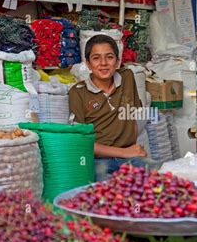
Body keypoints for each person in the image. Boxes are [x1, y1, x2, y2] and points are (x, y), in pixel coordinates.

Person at [68, 34, 160, 181]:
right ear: (88, 64)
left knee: (161, 177)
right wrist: (125, 152)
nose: (103, 63)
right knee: (108, 191)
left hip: (131, 157)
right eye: (96, 58)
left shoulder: (127, 77)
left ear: (118, 62)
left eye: (109, 57)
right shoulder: (77, 93)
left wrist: (132, 145)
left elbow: (135, 115)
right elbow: (81, 143)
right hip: (98, 160)